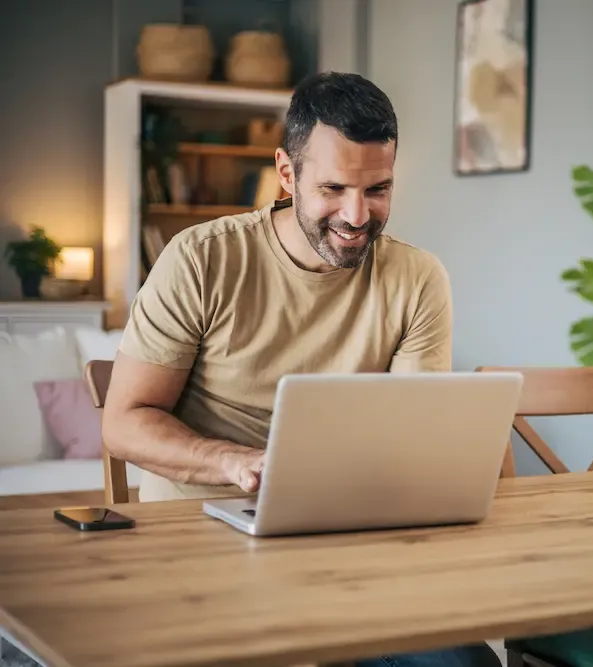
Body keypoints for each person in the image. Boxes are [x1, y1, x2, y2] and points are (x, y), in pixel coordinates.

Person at [103, 71, 499, 667]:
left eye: (378, 190)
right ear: (287, 175)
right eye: (334, 188)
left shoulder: (418, 279)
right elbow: (124, 422)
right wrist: (234, 461)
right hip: (198, 541)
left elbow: (417, 437)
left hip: (353, 543)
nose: (357, 215)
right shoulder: (201, 259)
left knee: (462, 662)